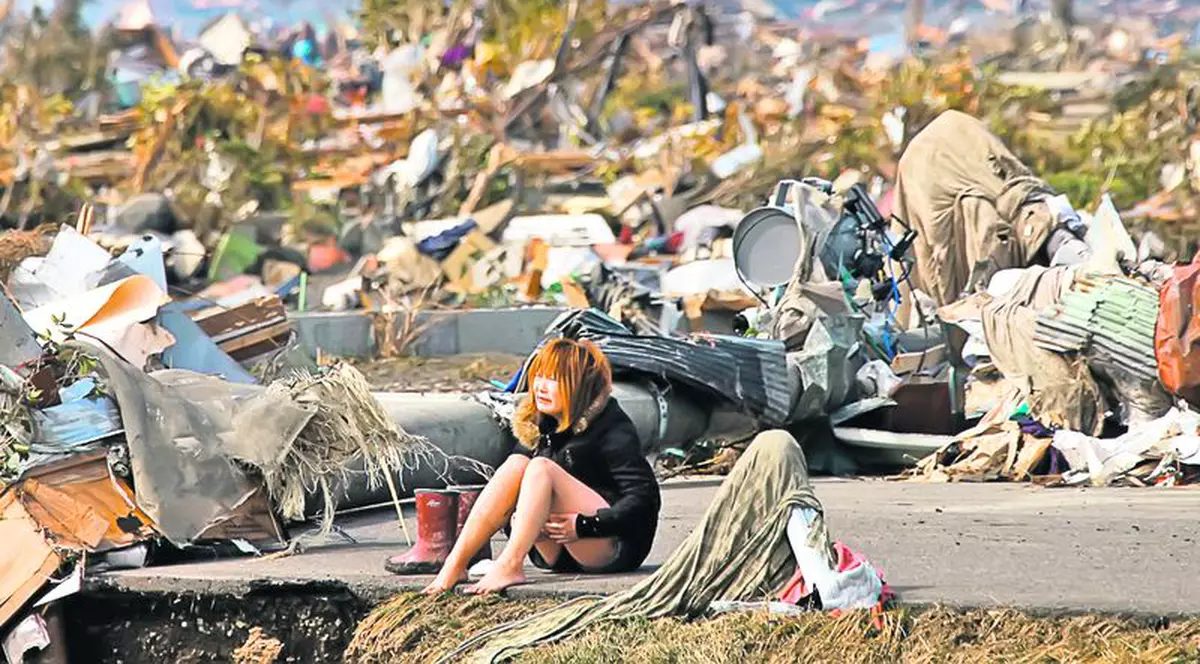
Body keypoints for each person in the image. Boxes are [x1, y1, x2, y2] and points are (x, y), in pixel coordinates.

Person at [423, 338, 661, 595]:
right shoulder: (538, 425)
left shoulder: (612, 426)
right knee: (517, 464)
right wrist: (516, 523)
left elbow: (644, 499)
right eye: (539, 376)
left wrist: (585, 525)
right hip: (555, 554)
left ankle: (510, 564)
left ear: (579, 384)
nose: (540, 387)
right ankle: (456, 563)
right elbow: (509, 498)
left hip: (609, 546)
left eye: (553, 379)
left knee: (541, 468)